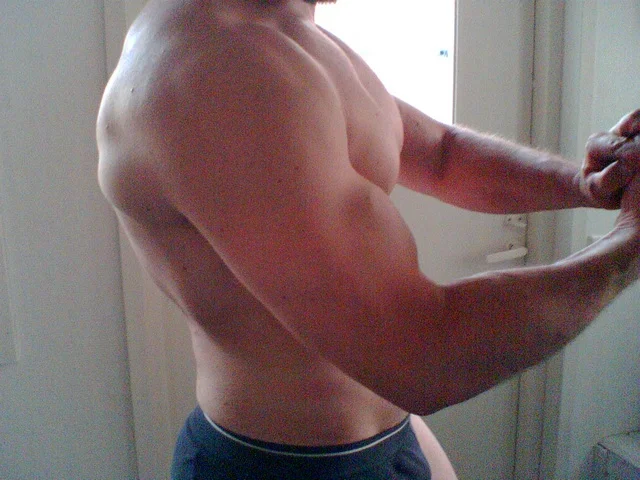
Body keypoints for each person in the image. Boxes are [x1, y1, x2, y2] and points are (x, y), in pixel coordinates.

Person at [96, 0, 640, 478]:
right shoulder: (217, 70)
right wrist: (627, 247)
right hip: (280, 464)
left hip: (391, 436)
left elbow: (441, 153)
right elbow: (424, 354)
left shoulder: (290, 31)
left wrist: (585, 184)